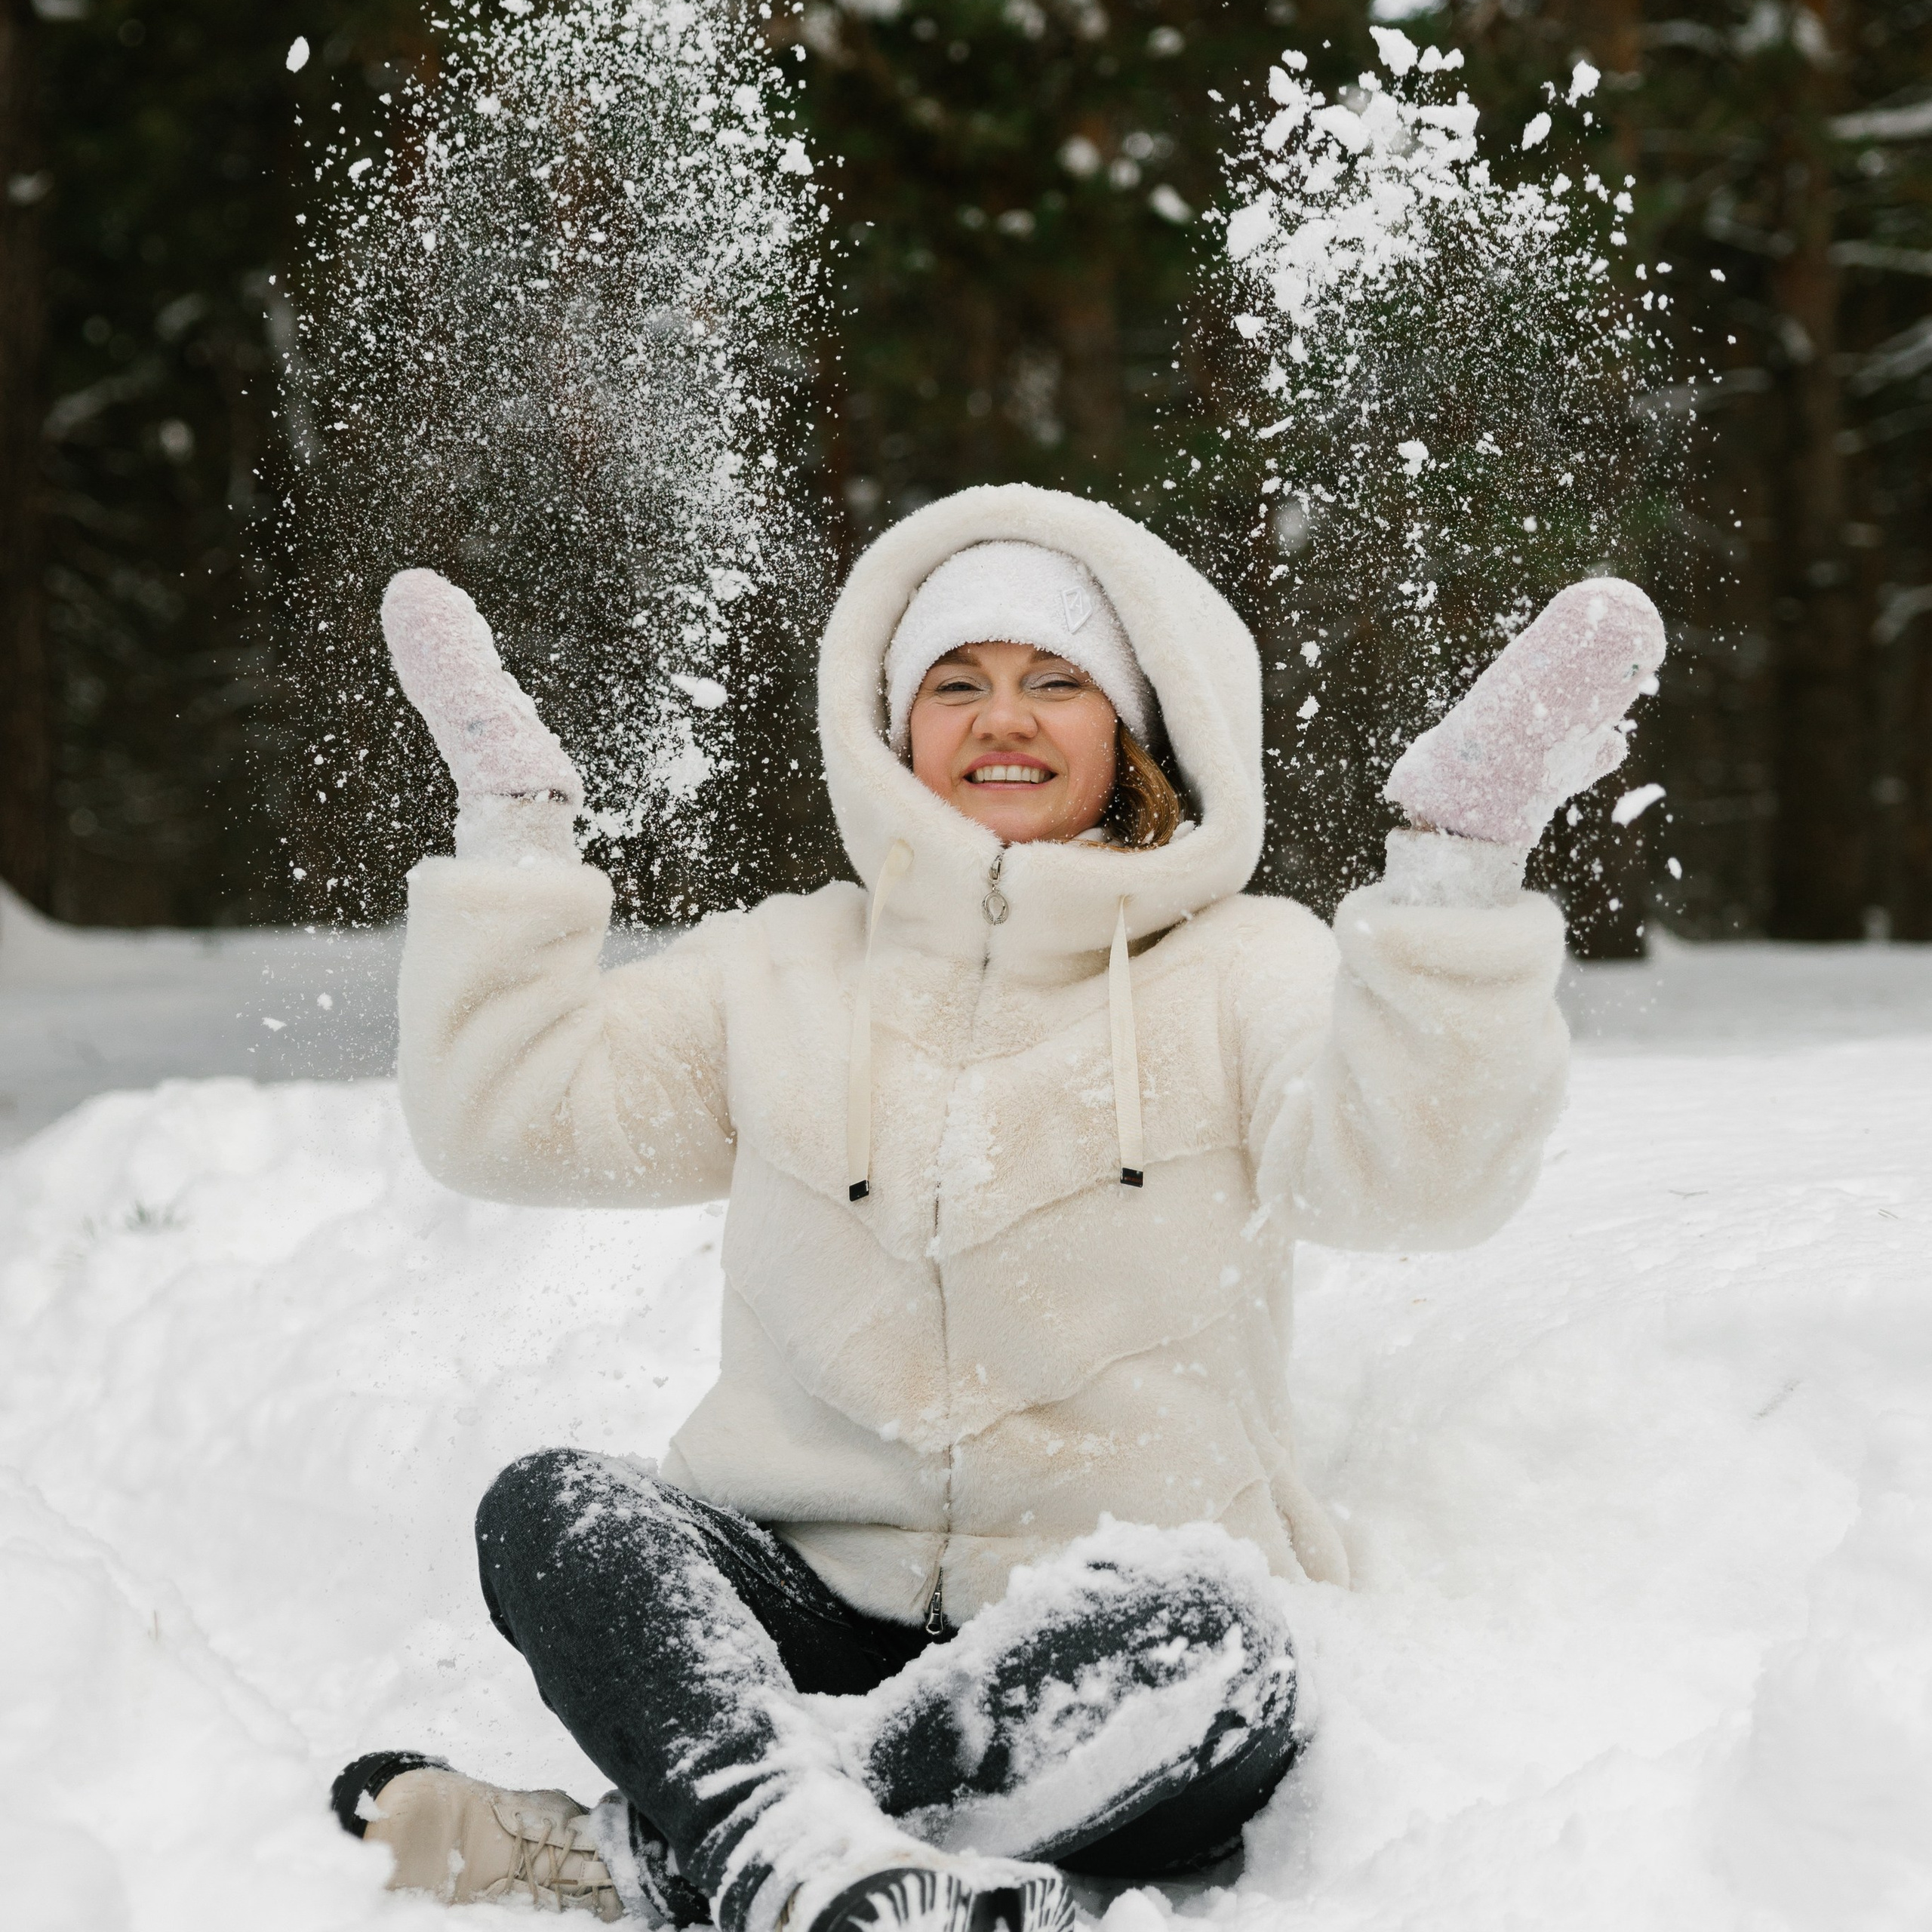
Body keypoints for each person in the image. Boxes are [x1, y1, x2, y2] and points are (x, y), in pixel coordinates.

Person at [329, 485, 1664, 1932]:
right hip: (796, 1613)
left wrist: (1456, 872)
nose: (1002, 718)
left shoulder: (1245, 967)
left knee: (1216, 1641)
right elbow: (504, 1116)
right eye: (956, 684)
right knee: (561, 1509)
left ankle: (705, 1847)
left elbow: (1417, 1180)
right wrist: (516, 837)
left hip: (1094, 1629)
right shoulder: (780, 967)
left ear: (1135, 728)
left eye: (1057, 681)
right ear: (894, 729)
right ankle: (809, 1845)